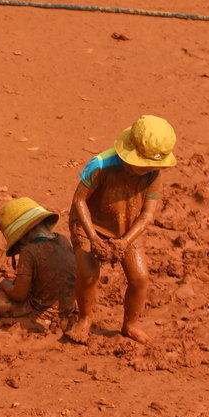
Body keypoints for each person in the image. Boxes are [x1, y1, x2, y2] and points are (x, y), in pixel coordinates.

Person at [65, 114, 178, 344]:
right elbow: (79, 202)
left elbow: (147, 214)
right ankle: (84, 319)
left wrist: (126, 241)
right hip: (88, 224)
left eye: (150, 166)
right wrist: (93, 237)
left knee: (140, 278)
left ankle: (130, 324)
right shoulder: (100, 165)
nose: (145, 170)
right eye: (141, 165)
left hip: (127, 228)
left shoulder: (153, 174)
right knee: (89, 274)